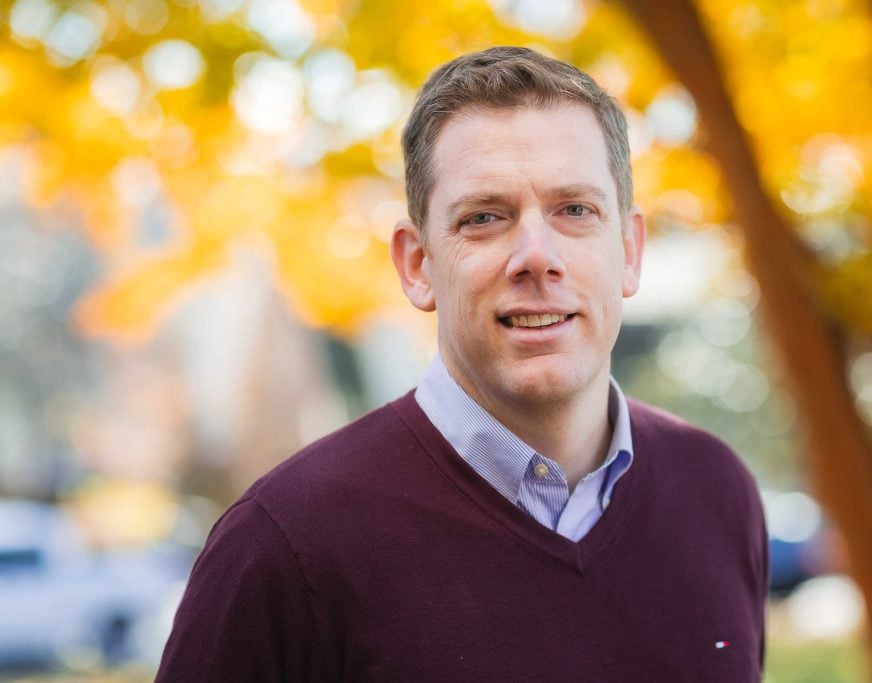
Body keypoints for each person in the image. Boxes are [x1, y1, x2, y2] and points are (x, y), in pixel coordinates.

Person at [157, 46, 767, 681]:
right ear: (417, 266)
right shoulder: (286, 546)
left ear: (630, 250)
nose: (537, 255)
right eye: (485, 218)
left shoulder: (716, 493)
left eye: (575, 211)